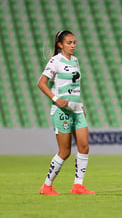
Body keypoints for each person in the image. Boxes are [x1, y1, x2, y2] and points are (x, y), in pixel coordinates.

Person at [38, 30, 95, 195]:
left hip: (76, 109)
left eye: (74, 42)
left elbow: (75, 86)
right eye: (69, 43)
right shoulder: (55, 61)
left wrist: (80, 104)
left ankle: (78, 186)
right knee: (65, 151)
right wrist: (55, 99)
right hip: (61, 111)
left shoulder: (75, 61)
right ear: (60, 45)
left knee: (84, 146)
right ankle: (46, 186)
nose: (73, 46)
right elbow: (41, 83)